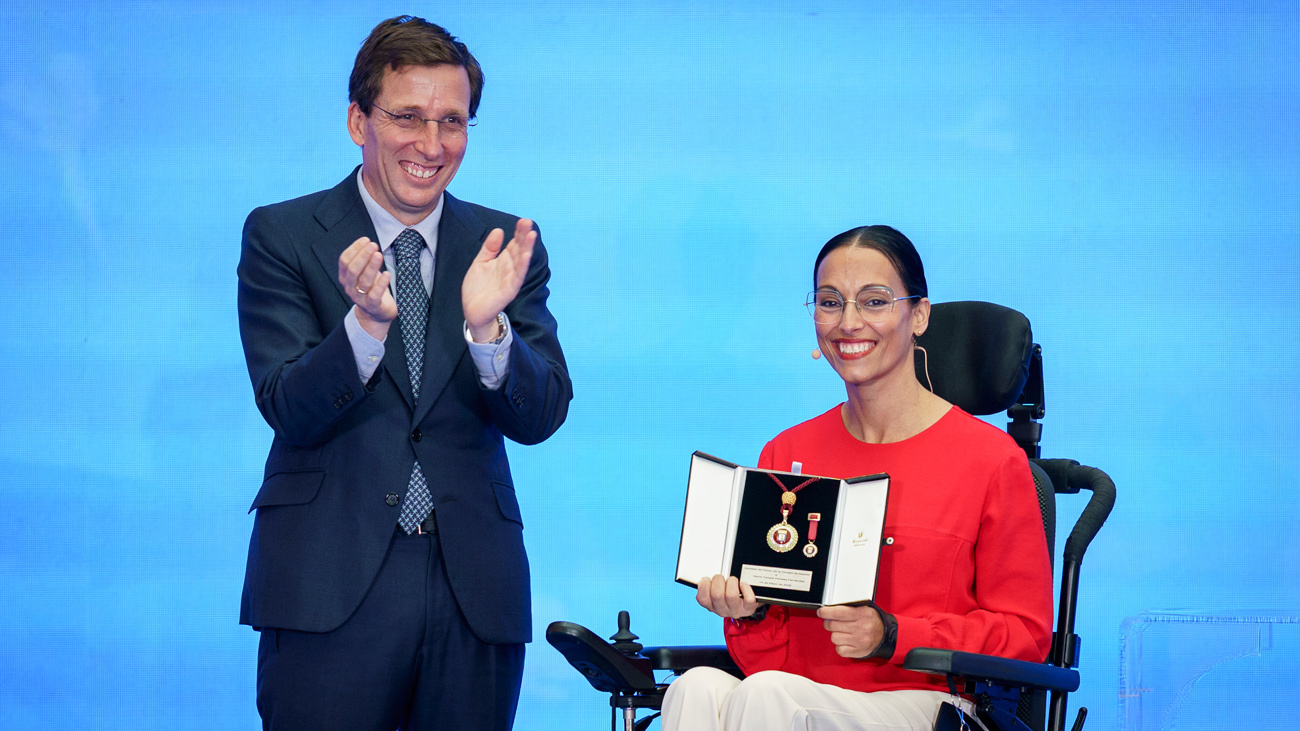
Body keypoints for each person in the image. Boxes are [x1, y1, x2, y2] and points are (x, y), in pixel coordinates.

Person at [236, 16, 572, 730]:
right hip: (329, 584)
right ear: (359, 120)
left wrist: (489, 329)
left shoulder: (502, 246)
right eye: (407, 117)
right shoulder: (284, 234)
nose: (431, 144)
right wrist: (364, 325)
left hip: (472, 591)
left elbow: (541, 414)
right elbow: (287, 404)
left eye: (452, 121)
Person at [662, 226, 1052, 731]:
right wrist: (749, 614)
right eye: (830, 302)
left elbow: (1025, 635)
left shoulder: (991, 460)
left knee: (770, 696)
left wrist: (893, 634)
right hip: (788, 695)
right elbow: (766, 660)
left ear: (919, 316)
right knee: (694, 687)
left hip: (927, 702)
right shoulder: (788, 453)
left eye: (873, 301)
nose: (848, 323)